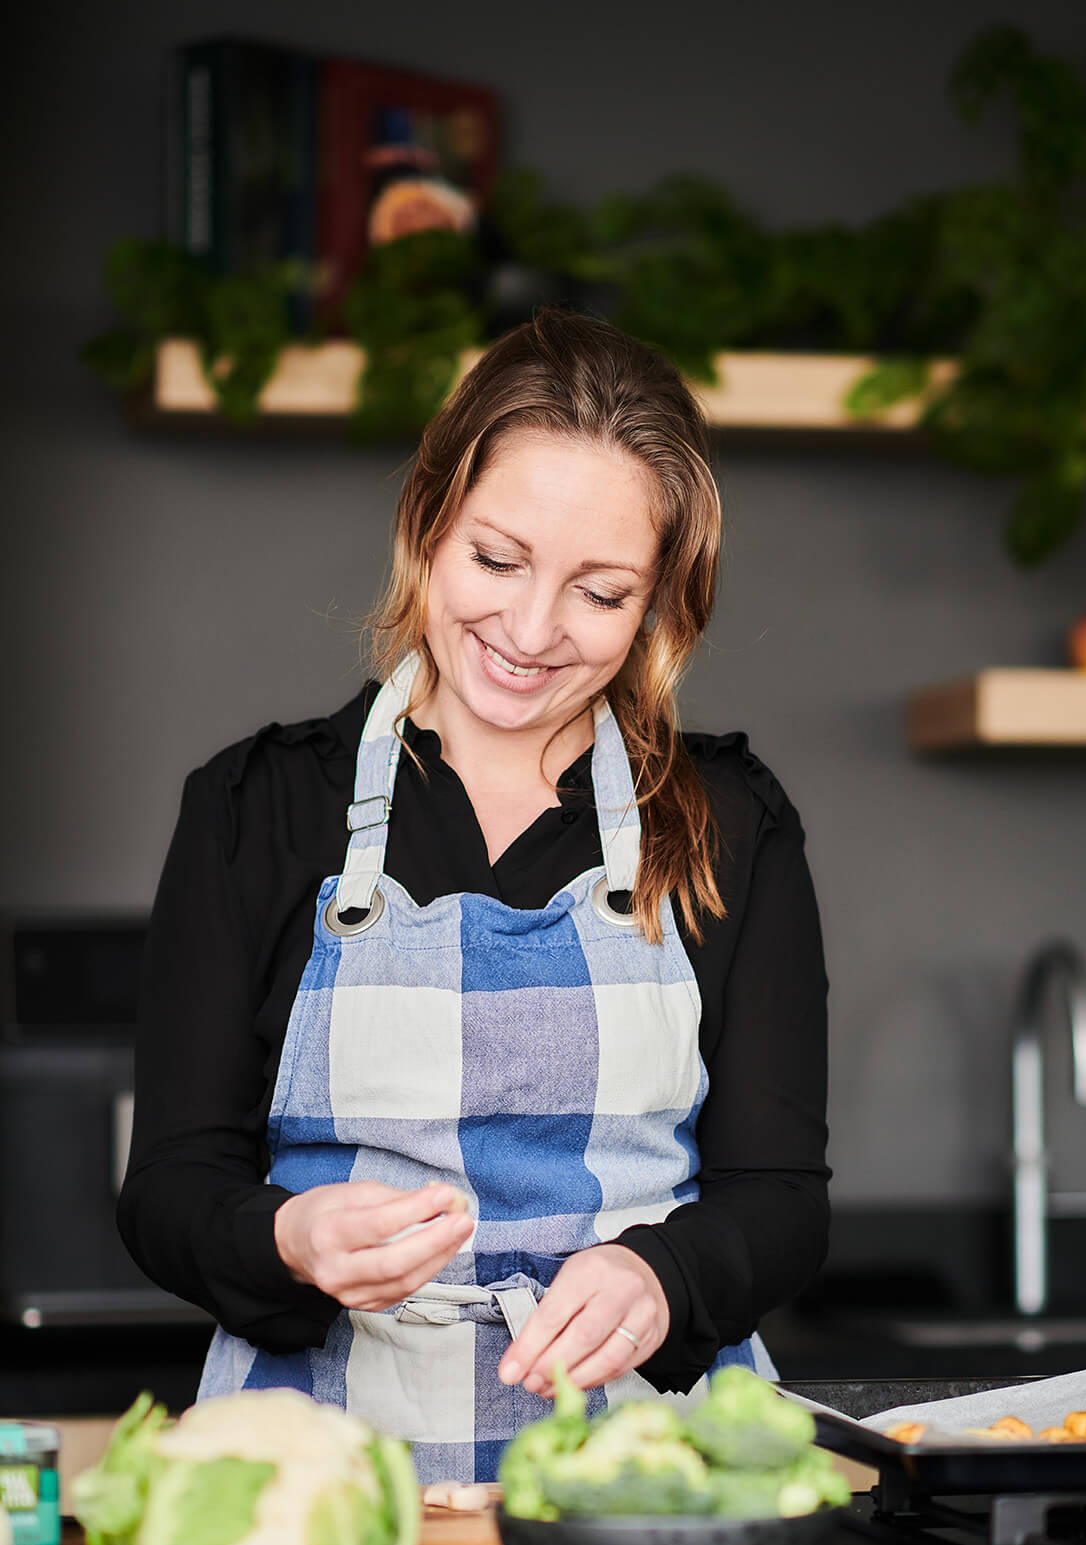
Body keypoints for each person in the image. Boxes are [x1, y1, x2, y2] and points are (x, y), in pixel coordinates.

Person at [119, 310, 830, 1482]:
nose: (531, 630)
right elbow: (171, 1187)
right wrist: (285, 1237)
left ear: (659, 603)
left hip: (647, 1486)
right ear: (427, 524)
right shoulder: (258, 809)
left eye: (600, 593)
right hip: (320, 1481)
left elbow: (780, 1201)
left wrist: (667, 1273)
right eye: (496, 561)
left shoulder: (726, 825)